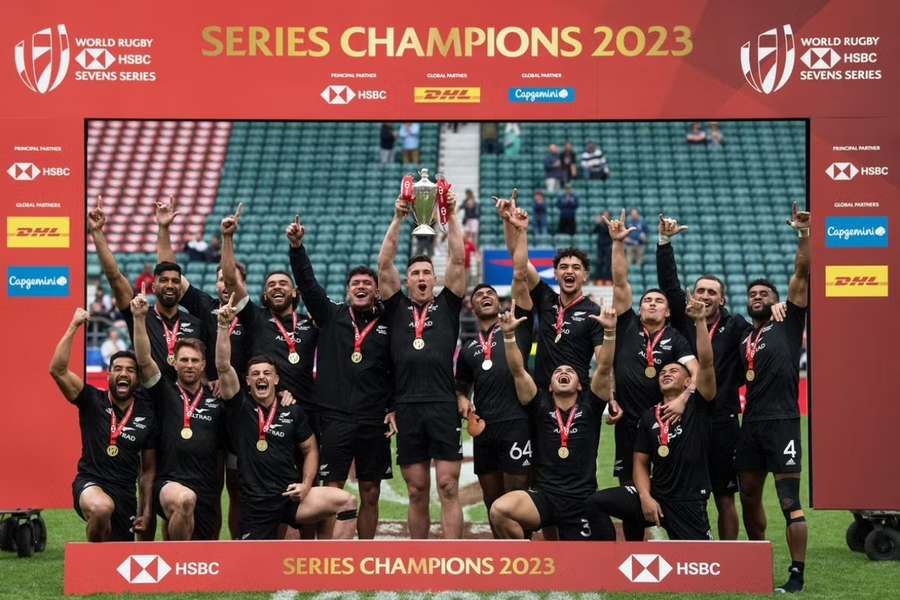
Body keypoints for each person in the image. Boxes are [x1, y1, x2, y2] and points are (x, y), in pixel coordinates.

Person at [286, 214, 396, 540]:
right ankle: (329, 554)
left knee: (371, 491)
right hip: (333, 416)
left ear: (376, 290)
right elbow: (307, 284)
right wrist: (297, 248)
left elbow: (395, 369)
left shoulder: (388, 323)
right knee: (332, 487)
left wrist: (392, 407)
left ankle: (364, 552)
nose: (361, 288)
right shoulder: (331, 315)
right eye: (355, 284)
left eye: (367, 284)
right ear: (348, 291)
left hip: (373, 418)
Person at [215, 298, 359, 540]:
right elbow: (222, 366)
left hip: (289, 496)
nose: (261, 378)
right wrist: (222, 326)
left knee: (346, 501)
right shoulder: (240, 406)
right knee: (261, 570)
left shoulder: (292, 410)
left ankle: (334, 568)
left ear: (276, 379)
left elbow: (310, 448)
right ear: (247, 381)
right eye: (255, 374)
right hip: (257, 505)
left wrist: (306, 483)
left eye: (267, 373)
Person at [586, 293, 717, 541]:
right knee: (595, 502)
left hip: (687, 500)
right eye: (663, 371)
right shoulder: (649, 416)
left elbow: (707, 365)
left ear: (689, 381)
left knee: (698, 568)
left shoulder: (698, 404)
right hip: (654, 495)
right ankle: (614, 563)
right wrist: (645, 498)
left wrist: (700, 322)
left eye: (674, 370)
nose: (666, 372)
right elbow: (640, 463)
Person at [155, 197, 249, 538]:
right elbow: (168, 274)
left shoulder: (251, 314)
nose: (224, 284)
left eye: (230, 280)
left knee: (235, 484)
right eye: (220, 280)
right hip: (204, 403)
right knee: (197, 477)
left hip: (239, 407)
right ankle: (179, 545)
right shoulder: (207, 306)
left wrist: (227, 240)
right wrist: (164, 229)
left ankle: (236, 545)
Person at [377, 188, 466, 539]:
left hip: (442, 405)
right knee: (416, 490)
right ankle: (419, 560)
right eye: (415, 273)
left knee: (447, 486)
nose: (421, 278)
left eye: (427, 273)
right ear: (408, 280)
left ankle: (453, 560)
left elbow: (458, 261)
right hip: (408, 407)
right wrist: (398, 218)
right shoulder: (396, 307)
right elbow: (384, 265)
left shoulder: (448, 305)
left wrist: (453, 214)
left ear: (434, 278)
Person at [488, 299, 616, 540]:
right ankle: (526, 566)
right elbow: (518, 371)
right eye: (558, 372)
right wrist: (508, 336)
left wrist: (609, 332)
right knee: (499, 510)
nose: (564, 372)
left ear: (580, 385)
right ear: (549, 386)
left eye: (570, 372)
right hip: (546, 496)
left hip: (582, 499)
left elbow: (605, 367)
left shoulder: (590, 406)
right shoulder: (539, 404)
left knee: (586, 566)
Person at [737, 202, 810, 594]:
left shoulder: (788, 319)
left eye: (765, 292)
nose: (758, 296)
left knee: (788, 501)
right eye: (752, 293)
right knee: (748, 494)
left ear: (777, 299)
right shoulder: (746, 337)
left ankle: (796, 576)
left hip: (783, 421)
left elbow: (802, 272)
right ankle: (754, 560)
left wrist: (803, 234)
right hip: (750, 426)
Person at [604, 209, 697, 498]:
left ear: (669, 311)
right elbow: (620, 284)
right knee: (629, 491)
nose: (652, 304)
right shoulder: (627, 325)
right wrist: (618, 243)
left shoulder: (677, 338)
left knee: (670, 489)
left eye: (659, 301)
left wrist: (683, 398)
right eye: (647, 301)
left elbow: (698, 372)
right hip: (627, 423)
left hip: (663, 422)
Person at [51, 308, 157, 542]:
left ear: (137, 379)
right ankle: (89, 564)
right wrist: (74, 326)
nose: (124, 374)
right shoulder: (91, 400)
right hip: (90, 483)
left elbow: (148, 471)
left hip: (126, 494)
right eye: (117, 369)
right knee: (100, 509)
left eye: (130, 370)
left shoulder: (147, 413)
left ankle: (96, 567)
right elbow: (57, 370)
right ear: (108, 375)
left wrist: (147, 510)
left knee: (117, 558)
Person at [131, 288, 225, 541]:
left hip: (206, 487)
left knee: (204, 548)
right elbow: (143, 359)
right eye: (184, 360)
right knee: (184, 500)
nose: (190, 365)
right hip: (170, 482)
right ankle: (174, 568)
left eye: (195, 361)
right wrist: (139, 319)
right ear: (174, 362)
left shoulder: (216, 397)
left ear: (204, 364)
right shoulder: (164, 390)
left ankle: (181, 569)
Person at [220, 205, 321, 432]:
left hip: (306, 409)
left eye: (283, 284)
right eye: (271, 285)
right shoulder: (255, 317)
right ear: (265, 295)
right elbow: (230, 281)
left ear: (294, 292)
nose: (277, 288)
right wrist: (227, 238)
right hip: (264, 409)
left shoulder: (309, 323)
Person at [89, 195, 206, 384]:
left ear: (181, 287)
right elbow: (115, 277)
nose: (169, 285)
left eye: (175, 281)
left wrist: (164, 228)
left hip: (186, 402)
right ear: (154, 286)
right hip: (150, 401)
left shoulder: (195, 323)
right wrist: (97, 234)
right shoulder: (139, 315)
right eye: (164, 280)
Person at [455, 284, 533, 537]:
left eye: (490, 294)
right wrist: (462, 399)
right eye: (478, 295)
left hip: (516, 423)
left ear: (501, 305)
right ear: (472, 306)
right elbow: (461, 385)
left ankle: (523, 555)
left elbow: (522, 281)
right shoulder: (468, 348)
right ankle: (502, 552)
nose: (485, 297)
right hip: (485, 428)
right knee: (491, 497)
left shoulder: (519, 330)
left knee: (517, 496)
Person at [591, 211, 613, 281]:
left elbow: (610, 233)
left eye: (606, 215)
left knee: (608, 262)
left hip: (608, 245)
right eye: (603, 215)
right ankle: (599, 278)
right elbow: (593, 231)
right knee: (599, 261)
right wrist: (598, 223)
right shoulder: (600, 225)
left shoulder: (610, 225)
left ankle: (608, 278)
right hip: (600, 245)